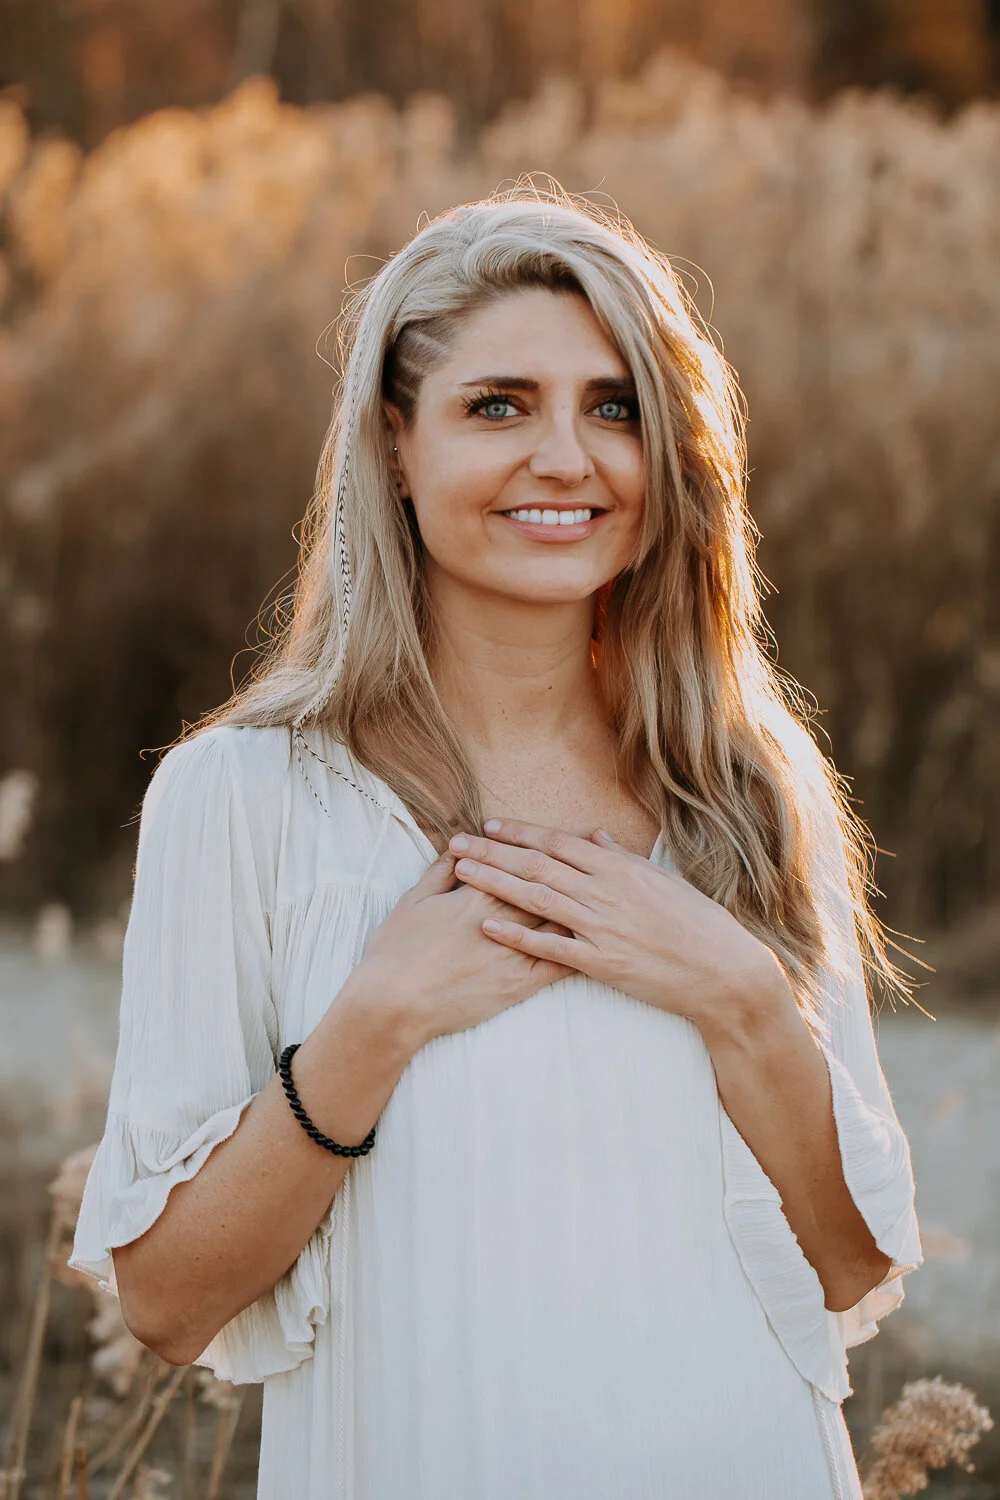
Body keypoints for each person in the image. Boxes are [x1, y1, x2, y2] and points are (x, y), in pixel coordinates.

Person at [71, 184, 923, 1499]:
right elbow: (168, 1303)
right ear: (395, 446)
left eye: (615, 407)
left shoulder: (750, 786)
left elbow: (851, 1265)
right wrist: (375, 1024)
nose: (568, 459)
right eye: (499, 406)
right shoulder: (240, 798)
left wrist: (742, 999)